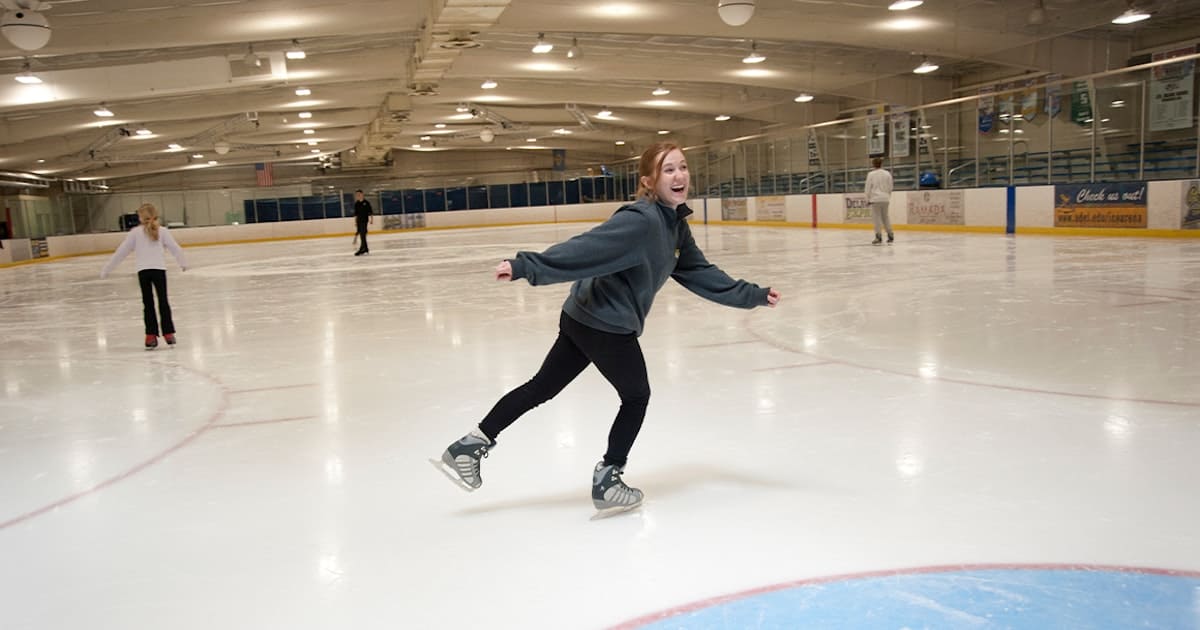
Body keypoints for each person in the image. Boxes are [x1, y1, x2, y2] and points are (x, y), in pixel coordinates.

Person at [435, 142, 781, 514]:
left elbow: (700, 273)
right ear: (649, 181)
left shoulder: (674, 225)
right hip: (605, 324)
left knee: (542, 387)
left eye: (682, 167)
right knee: (636, 396)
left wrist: (753, 295)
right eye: (668, 170)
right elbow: (588, 248)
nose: (679, 175)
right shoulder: (643, 220)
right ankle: (609, 478)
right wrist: (526, 266)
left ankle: (468, 447)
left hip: (582, 316)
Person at [100, 203, 189, 349]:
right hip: (159, 271)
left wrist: (107, 269)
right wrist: (183, 263)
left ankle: (151, 335)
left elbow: (121, 252)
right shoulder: (162, 231)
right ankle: (168, 333)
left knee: (148, 304)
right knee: (163, 302)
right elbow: (175, 248)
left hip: (143, 272)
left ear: (141, 217)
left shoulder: (135, 233)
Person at [865, 157, 894, 245]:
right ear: (881, 164)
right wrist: (887, 196)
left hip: (875, 199)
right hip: (885, 198)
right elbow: (890, 187)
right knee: (886, 217)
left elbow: (868, 188)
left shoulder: (871, 174)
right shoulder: (887, 173)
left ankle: (878, 236)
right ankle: (890, 234)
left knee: (876, 218)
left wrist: (868, 199)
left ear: (873, 164)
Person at [353, 189, 373, 255]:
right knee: (362, 235)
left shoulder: (366, 203)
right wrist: (355, 222)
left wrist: (371, 219)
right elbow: (356, 214)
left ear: (362, 194)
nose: (358, 196)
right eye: (357, 195)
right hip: (359, 221)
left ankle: (362, 249)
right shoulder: (356, 204)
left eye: (359, 194)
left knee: (362, 235)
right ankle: (366, 249)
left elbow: (370, 212)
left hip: (364, 221)